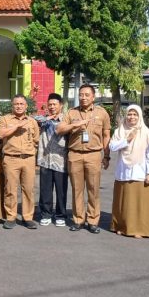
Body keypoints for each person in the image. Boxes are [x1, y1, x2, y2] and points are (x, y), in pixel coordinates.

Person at [56, 85, 111, 234]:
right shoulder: (72, 112)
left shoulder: (102, 113)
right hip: (75, 155)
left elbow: (106, 135)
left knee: (93, 189)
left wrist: (106, 155)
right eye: (81, 95)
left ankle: (93, 221)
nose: (83, 97)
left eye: (87, 95)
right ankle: (78, 220)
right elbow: (59, 129)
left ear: (93, 97)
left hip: (94, 154)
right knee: (77, 189)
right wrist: (75, 124)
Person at [109, 105, 149, 238]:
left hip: (140, 172)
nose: (132, 117)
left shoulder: (146, 132)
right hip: (123, 171)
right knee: (123, 202)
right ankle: (122, 227)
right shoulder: (120, 131)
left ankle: (140, 229)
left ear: (139, 116)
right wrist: (127, 140)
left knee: (139, 203)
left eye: (135, 114)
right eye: (129, 114)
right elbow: (112, 146)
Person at [0, 94, 40, 230]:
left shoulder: (32, 121)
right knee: (10, 189)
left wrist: (32, 153)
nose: (19, 106)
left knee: (28, 189)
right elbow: (1, 134)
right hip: (11, 158)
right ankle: (11, 217)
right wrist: (16, 126)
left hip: (28, 159)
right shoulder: (5, 119)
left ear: (26, 106)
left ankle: (28, 217)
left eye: (22, 104)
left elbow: (36, 140)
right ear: (12, 105)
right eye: (16, 104)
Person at [36, 93, 68, 227]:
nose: (52, 107)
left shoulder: (66, 120)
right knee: (45, 189)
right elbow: (33, 119)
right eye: (50, 104)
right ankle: (46, 214)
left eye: (55, 104)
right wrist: (48, 118)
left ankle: (60, 215)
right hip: (45, 159)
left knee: (61, 190)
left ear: (61, 105)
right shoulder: (43, 119)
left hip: (61, 160)